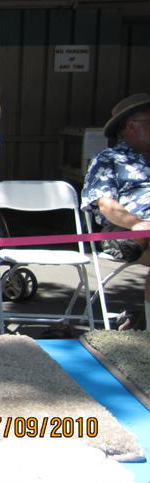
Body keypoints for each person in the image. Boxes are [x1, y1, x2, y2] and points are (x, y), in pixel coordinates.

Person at [82, 92, 150, 331]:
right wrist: (137, 224)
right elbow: (105, 204)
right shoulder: (110, 158)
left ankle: (141, 318)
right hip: (128, 229)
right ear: (131, 125)